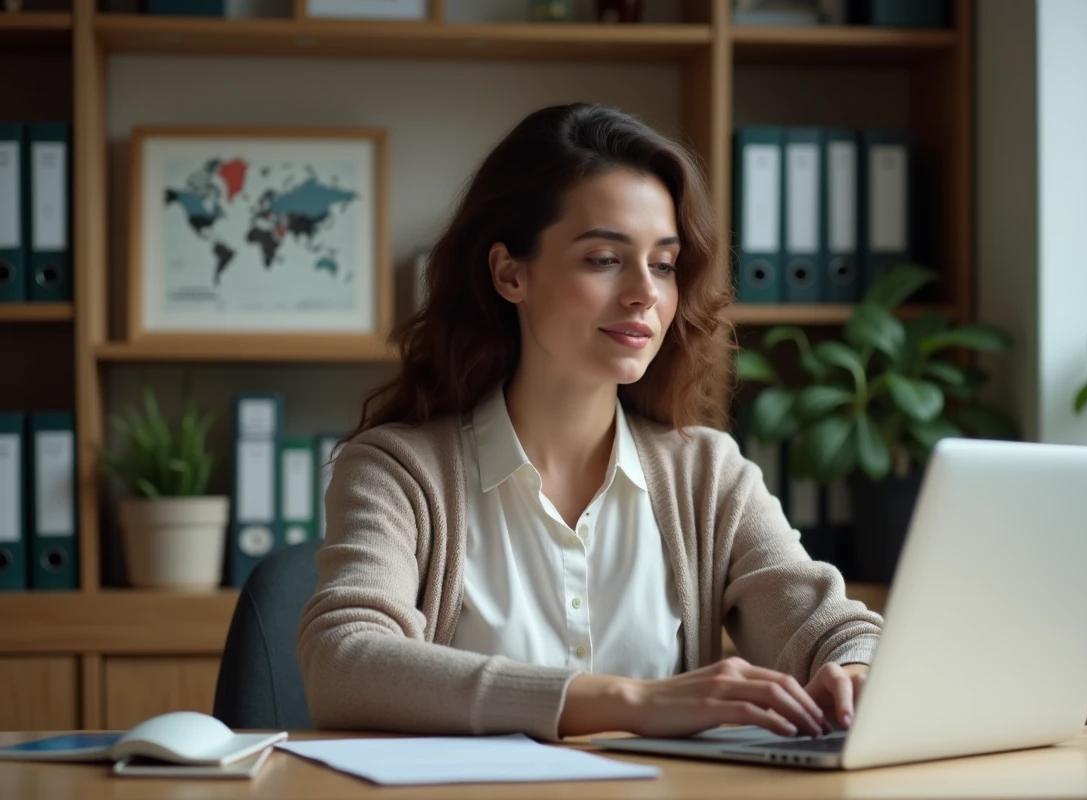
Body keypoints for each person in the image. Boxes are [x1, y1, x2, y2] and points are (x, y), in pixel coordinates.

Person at [297, 102, 883, 742]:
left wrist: (855, 671)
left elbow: (832, 629)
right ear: (510, 273)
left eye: (663, 264)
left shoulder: (708, 475)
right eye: (604, 258)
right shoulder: (398, 472)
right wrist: (632, 701)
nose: (644, 293)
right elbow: (343, 663)